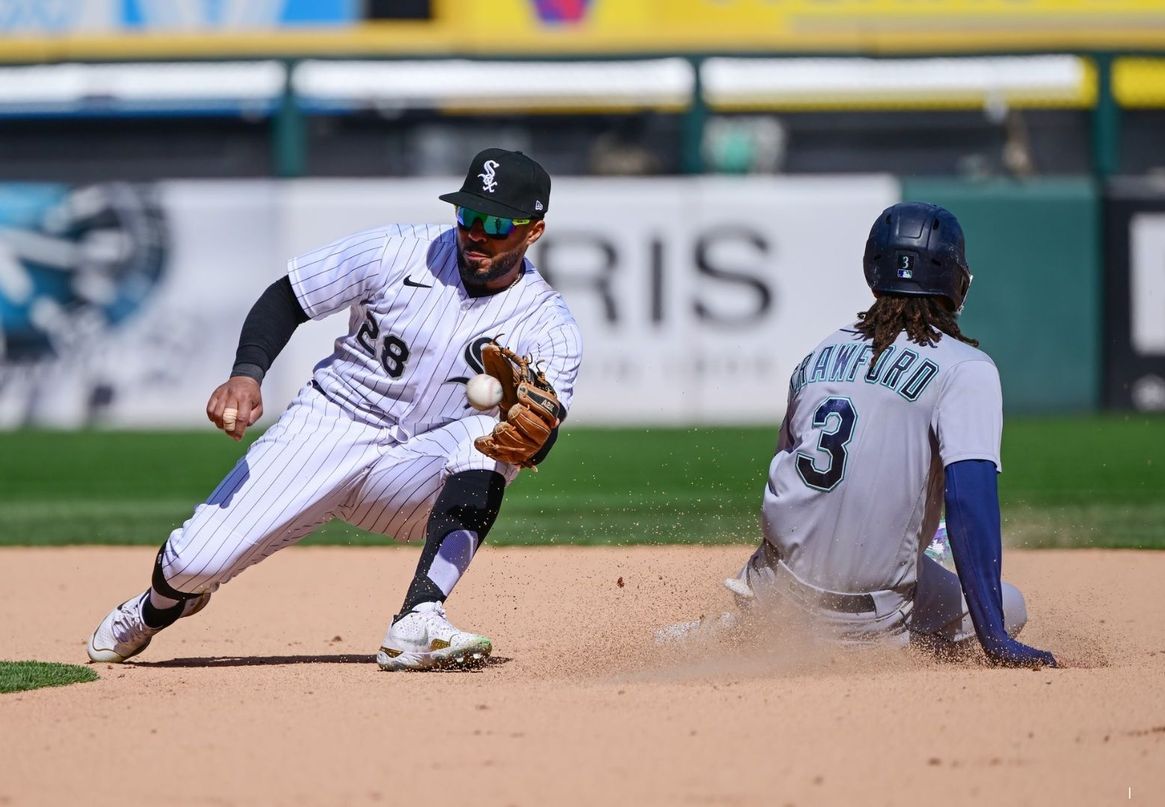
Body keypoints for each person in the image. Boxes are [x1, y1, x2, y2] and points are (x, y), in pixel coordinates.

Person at [87, 148, 581, 671]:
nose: (477, 233)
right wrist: (246, 374)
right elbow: (288, 297)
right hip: (329, 426)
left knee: (491, 439)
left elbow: (543, 427)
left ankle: (418, 617)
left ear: (534, 231)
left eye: (497, 224)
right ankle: (156, 608)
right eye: (469, 215)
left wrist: (535, 436)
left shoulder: (548, 324)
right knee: (192, 563)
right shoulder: (397, 250)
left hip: (415, 471)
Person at [665, 202, 1055, 668]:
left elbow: (790, 482)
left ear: (873, 269)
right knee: (1011, 605)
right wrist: (996, 639)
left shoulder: (820, 353)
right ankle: (882, 653)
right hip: (870, 620)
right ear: (955, 278)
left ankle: (745, 629)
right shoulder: (966, 368)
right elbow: (969, 503)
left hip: (776, 591)